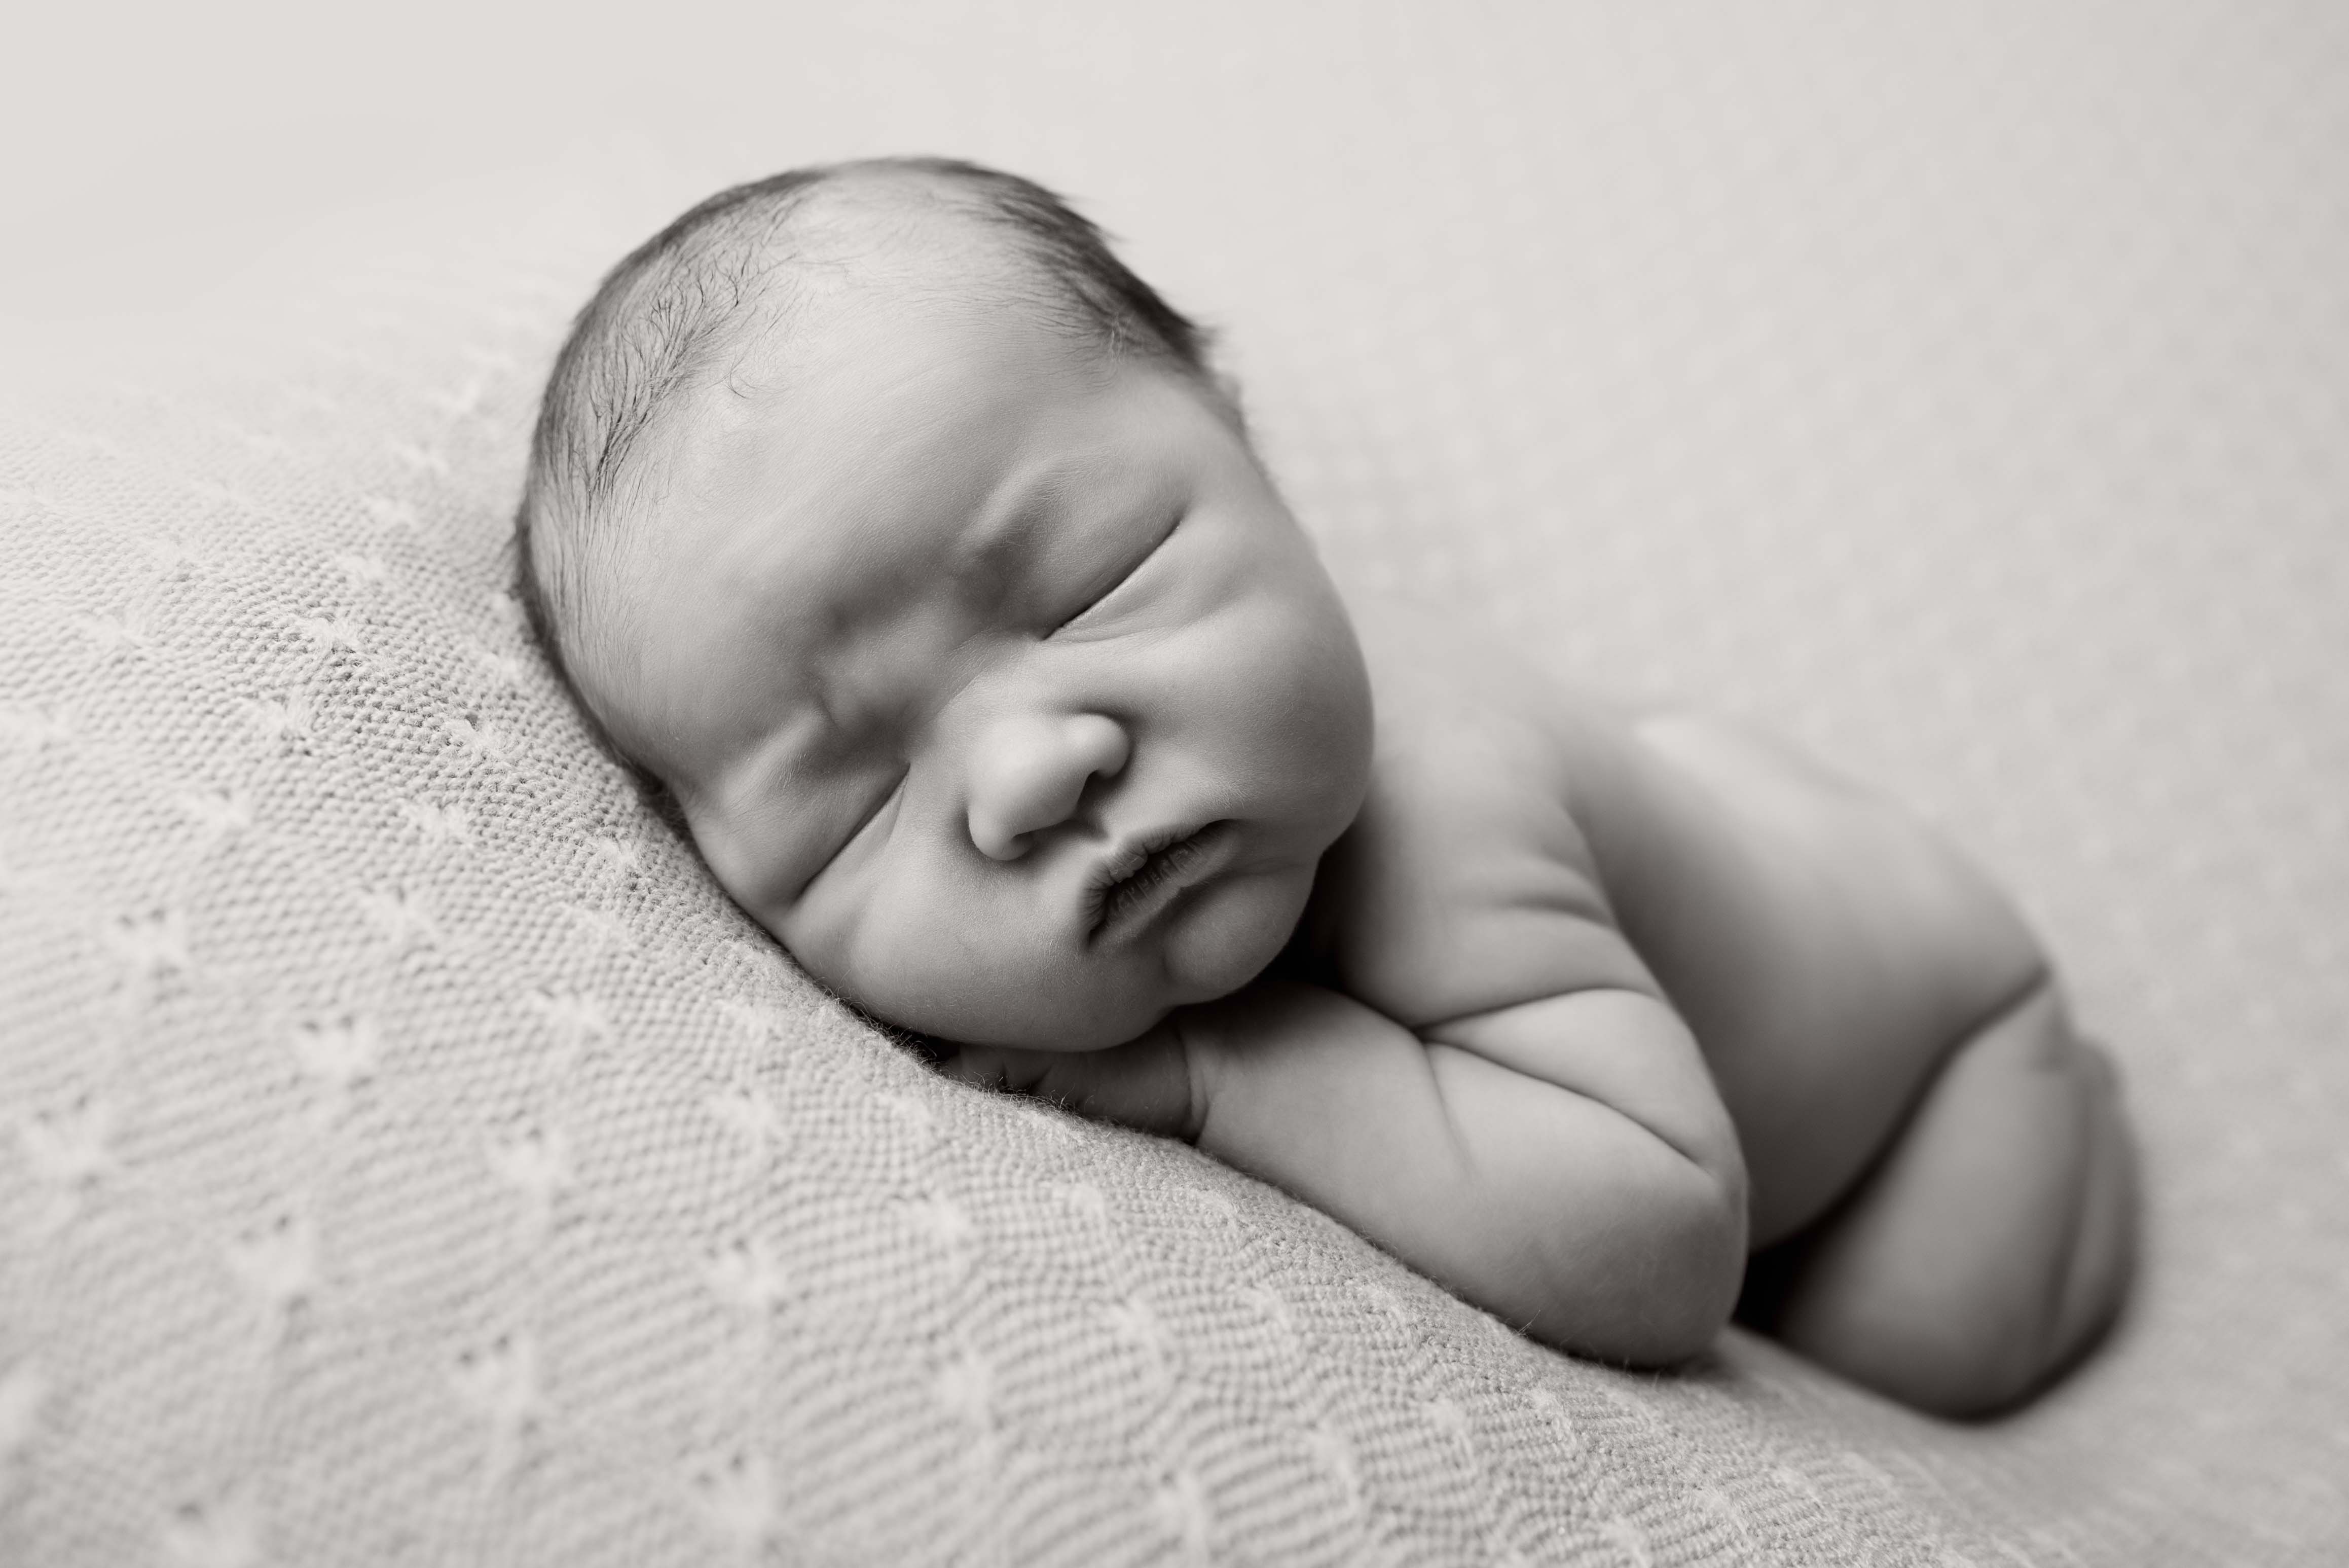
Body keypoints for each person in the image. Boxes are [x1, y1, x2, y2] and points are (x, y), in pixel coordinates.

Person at [514, 157, 2135, 1417]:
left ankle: (2076, 1087)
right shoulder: (1247, 728)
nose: (1030, 772)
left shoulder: (1438, 818)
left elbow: (1671, 1244)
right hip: (1703, 869)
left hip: (1924, 1057)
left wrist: (1241, 1082)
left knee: (1910, 1336)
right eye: (855, 797)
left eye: (1088, 586)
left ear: (1244, 437)